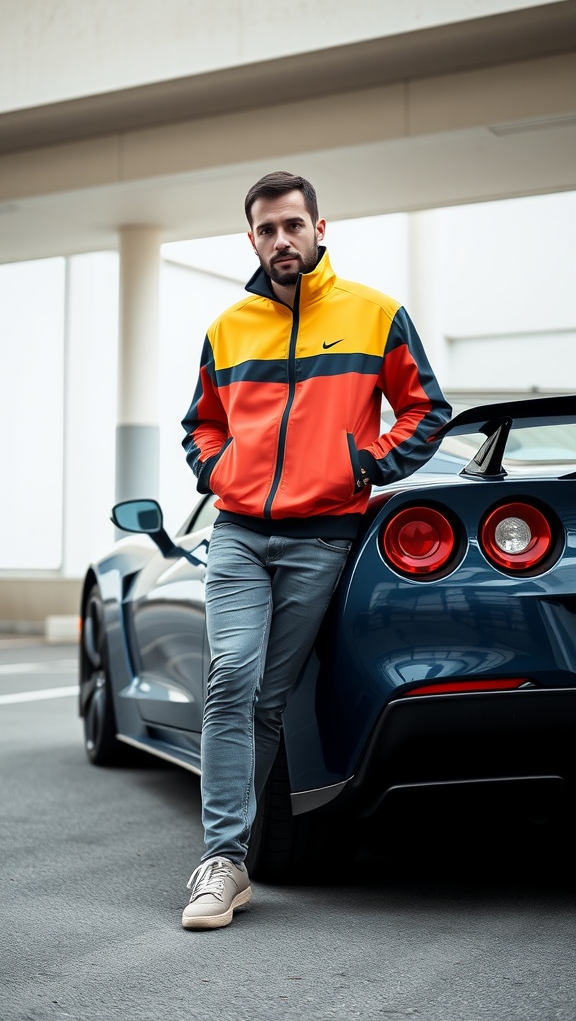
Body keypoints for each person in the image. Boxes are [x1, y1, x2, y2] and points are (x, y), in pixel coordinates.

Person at [180, 170, 451, 929]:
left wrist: (365, 468)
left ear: (319, 229)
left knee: (267, 698)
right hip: (238, 530)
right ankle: (222, 861)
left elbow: (427, 410)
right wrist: (220, 469)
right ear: (252, 239)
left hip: (323, 534)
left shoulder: (375, 314)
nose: (281, 241)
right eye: (266, 230)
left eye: (292, 226)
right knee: (231, 672)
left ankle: (231, 865)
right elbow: (200, 423)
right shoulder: (228, 328)